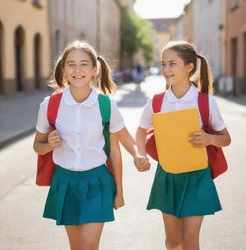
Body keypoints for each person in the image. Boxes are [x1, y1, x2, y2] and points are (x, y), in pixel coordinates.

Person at [33, 40, 145, 250]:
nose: (77, 70)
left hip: (98, 182)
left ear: (94, 70)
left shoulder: (106, 105)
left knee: (88, 246)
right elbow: (37, 146)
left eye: (84, 64)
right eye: (71, 64)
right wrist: (48, 144)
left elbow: (115, 150)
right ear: (64, 70)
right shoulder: (50, 105)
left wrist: (120, 191)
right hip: (65, 182)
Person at [136, 41, 231, 250]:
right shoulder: (157, 102)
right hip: (167, 174)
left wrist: (209, 139)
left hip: (198, 176)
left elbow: (226, 138)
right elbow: (141, 130)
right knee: (173, 242)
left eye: (172, 63)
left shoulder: (205, 102)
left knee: (189, 240)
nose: (166, 69)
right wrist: (140, 154)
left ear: (189, 67)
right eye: (163, 64)